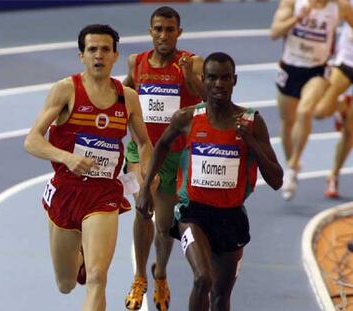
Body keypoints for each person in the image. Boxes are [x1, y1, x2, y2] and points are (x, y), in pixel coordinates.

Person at [136, 52, 283, 311]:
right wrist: (147, 188)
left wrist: (250, 143)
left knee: (220, 297)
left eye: (225, 78)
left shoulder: (252, 122)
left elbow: (277, 180)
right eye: (212, 78)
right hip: (193, 214)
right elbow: (161, 146)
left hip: (231, 218)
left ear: (234, 81)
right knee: (202, 278)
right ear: (203, 80)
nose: (219, 84)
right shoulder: (187, 118)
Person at [23, 24, 153, 311]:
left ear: (116, 55)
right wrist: (67, 158)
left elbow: (143, 143)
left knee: (98, 277)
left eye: (105, 49)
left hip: (103, 192)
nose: (99, 55)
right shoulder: (66, 90)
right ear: (81, 55)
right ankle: (79, 256)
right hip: (67, 192)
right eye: (92, 49)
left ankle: (90, 257)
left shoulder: (127, 98)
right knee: (66, 284)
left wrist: (141, 173)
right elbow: (32, 141)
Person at [123, 6, 203, 311]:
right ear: (150, 31)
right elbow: (124, 94)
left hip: (175, 155)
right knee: (142, 208)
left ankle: (161, 272)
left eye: (170, 30)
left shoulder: (192, 62)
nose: (164, 35)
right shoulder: (137, 62)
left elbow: (206, 99)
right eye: (158, 29)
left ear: (179, 33)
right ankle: (139, 276)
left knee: (165, 224)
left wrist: (186, 76)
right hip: (142, 150)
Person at [269, 0, 352, 200]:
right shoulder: (293, 3)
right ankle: (293, 165)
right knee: (289, 122)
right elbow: (274, 32)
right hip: (290, 68)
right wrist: (297, 18)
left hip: (317, 70)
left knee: (305, 111)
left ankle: (291, 168)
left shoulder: (339, 7)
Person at [314, 7, 353, 198]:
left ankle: (333, 175)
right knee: (319, 111)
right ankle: (342, 105)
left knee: (350, 130)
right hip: (345, 62)